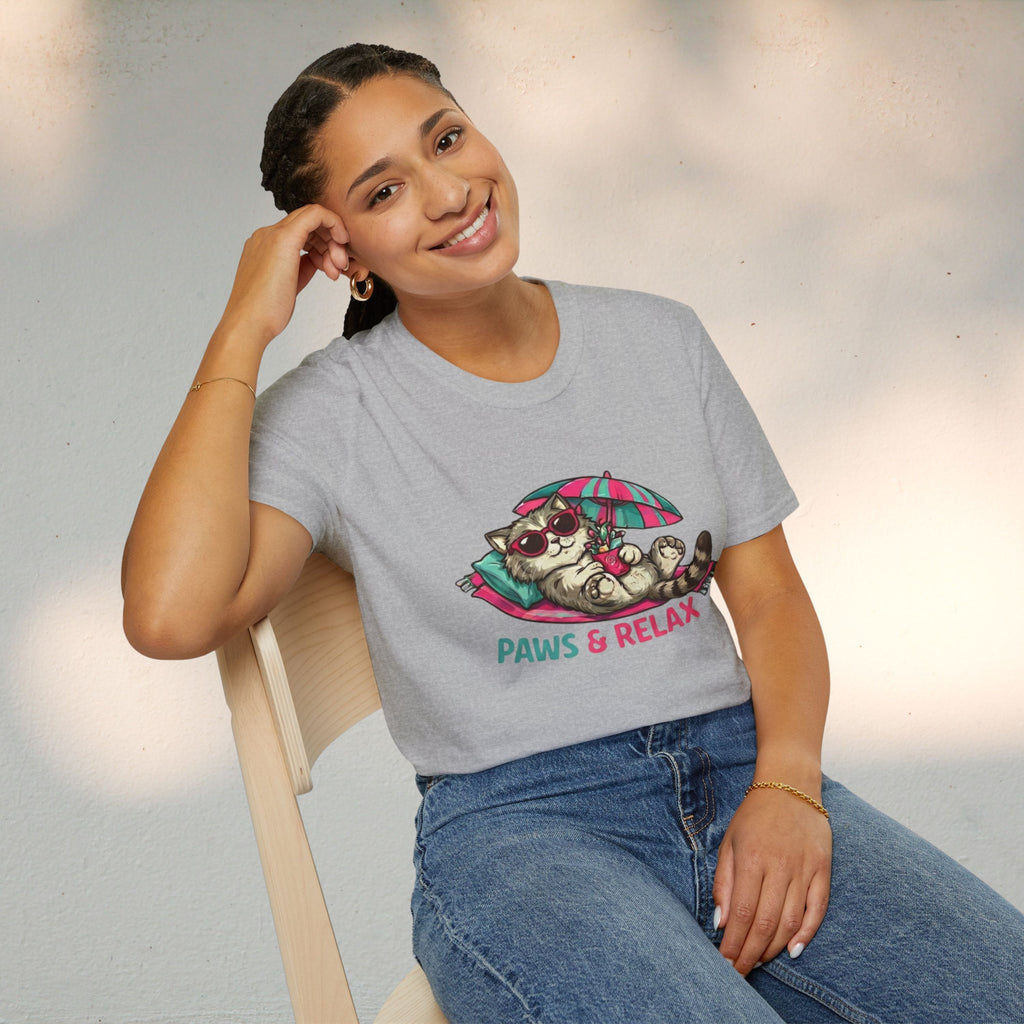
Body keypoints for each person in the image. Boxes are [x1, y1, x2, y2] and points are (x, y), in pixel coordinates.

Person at [122, 43, 1024, 1023]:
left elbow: (767, 599)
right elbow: (171, 614)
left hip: (742, 768)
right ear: (341, 251)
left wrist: (790, 788)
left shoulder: (661, 340)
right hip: (523, 832)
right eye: (384, 191)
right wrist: (241, 329)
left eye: (449, 139)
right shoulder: (335, 413)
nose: (448, 191)